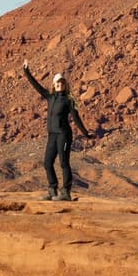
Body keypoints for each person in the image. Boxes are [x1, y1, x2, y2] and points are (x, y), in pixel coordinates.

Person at [21, 58, 94, 201]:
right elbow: (35, 85)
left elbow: (76, 117)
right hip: (52, 135)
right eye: (57, 82)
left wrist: (85, 133)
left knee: (63, 162)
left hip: (64, 135)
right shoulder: (50, 97)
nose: (59, 84)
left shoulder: (68, 100)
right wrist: (26, 71)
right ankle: (52, 190)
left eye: (61, 82)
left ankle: (66, 192)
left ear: (64, 85)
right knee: (47, 162)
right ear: (54, 85)